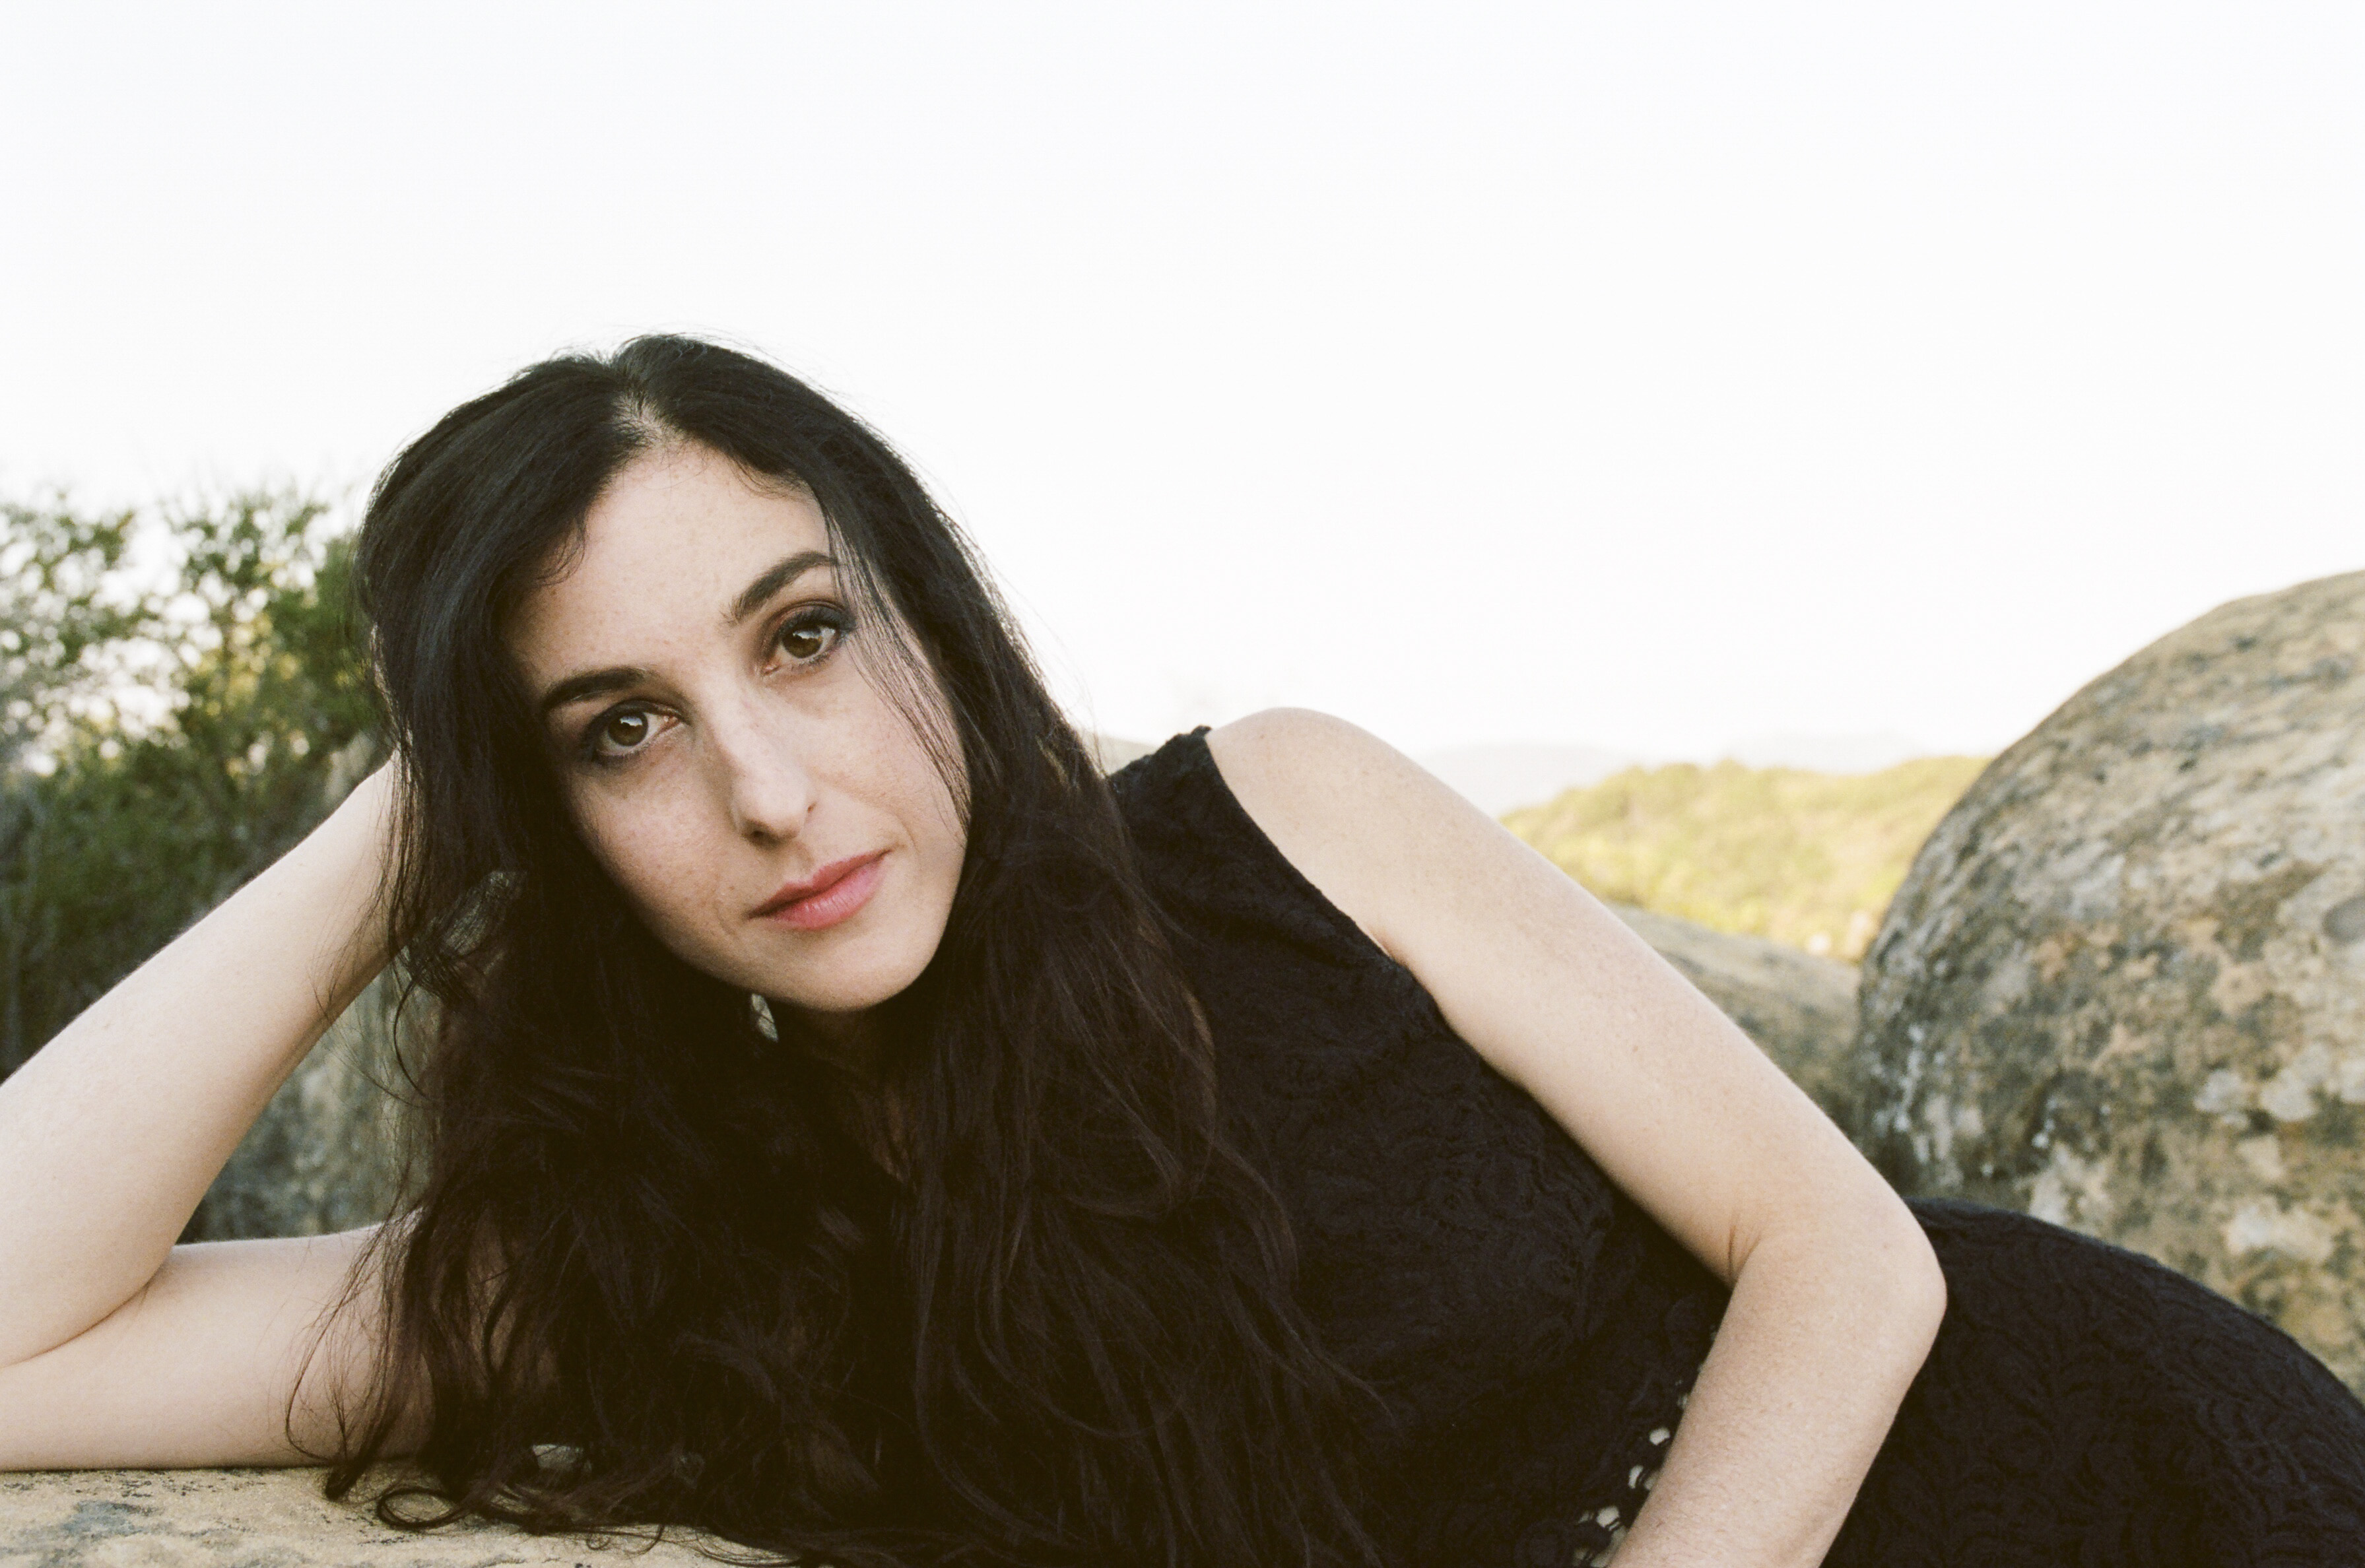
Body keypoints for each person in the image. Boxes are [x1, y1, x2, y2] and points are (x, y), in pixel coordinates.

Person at [1, 336, 2360, 1568]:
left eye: (804, 636)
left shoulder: (1274, 825)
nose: (773, 790)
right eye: (620, 730)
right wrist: (412, 806)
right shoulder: (620, 1260)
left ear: (927, 616)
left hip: (2075, 1475)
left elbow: (1838, 1248)